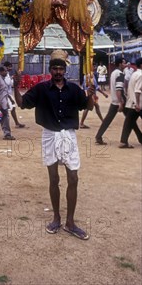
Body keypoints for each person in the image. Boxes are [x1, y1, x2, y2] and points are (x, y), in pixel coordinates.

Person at [17, 53, 94, 240]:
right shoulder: (41, 89)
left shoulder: (74, 89)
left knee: (73, 178)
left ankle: (70, 222)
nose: (58, 72)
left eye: (61, 69)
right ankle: (56, 218)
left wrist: (91, 94)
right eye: (55, 69)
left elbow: (88, 106)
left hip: (69, 135)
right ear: (50, 70)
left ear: (65, 70)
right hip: (50, 136)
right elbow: (22, 103)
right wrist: (14, 84)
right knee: (53, 179)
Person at [95, 56, 127, 145]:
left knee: (107, 120)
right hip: (120, 101)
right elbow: (119, 89)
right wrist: (121, 102)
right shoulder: (120, 74)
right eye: (124, 63)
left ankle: (98, 136)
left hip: (114, 100)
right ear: (120, 64)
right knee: (130, 120)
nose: (125, 64)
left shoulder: (113, 73)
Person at [119, 57, 142, 148]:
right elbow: (137, 90)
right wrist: (137, 103)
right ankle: (123, 141)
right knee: (129, 122)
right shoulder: (140, 75)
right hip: (138, 104)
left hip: (132, 102)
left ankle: (124, 141)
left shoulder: (134, 74)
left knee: (129, 122)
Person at [3, 61, 25, 129]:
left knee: (12, 108)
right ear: (5, 67)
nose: (11, 68)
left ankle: (17, 123)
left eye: (11, 66)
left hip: (8, 94)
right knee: (5, 110)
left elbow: (10, 83)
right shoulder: (4, 74)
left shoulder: (7, 74)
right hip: (5, 95)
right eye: (9, 67)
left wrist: (13, 78)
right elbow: (8, 84)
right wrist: (14, 79)